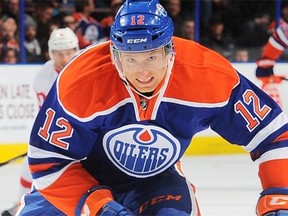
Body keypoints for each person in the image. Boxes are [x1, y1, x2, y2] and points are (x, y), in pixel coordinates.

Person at [16, 0, 288, 215]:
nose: (142, 72)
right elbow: (47, 162)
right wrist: (99, 208)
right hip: (83, 176)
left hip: (157, 180)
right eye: (130, 59)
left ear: (169, 50)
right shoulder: (82, 80)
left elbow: (273, 136)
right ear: (114, 54)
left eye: (151, 56)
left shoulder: (207, 74)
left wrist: (279, 197)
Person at [1, 27, 79, 216]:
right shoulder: (42, 77)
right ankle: (22, 204)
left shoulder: (83, 70)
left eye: (69, 53)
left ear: (76, 50)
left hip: (83, 132)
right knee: (30, 168)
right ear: (51, 53)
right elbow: (47, 118)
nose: (64, 58)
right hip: (58, 133)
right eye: (60, 54)